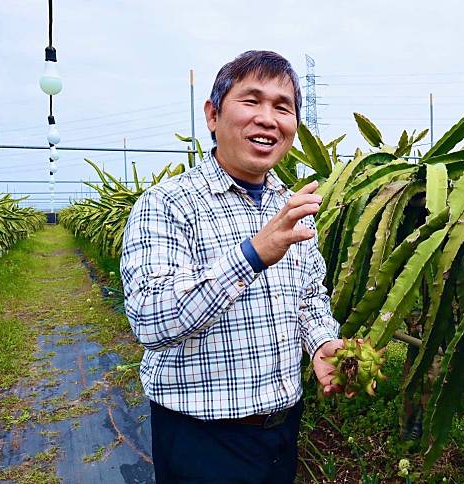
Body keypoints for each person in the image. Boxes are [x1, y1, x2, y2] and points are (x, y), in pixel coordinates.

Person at [120, 50, 345, 483]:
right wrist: (251, 256)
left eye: (283, 107)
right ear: (212, 114)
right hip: (202, 441)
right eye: (251, 100)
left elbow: (309, 296)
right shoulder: (166, 204)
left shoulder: (290, 205)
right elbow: (149, 318)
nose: (268, 118)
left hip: (282, 430)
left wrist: (320, 344)